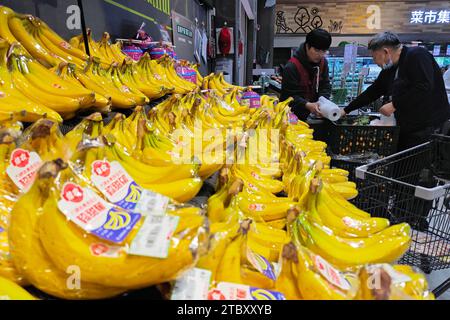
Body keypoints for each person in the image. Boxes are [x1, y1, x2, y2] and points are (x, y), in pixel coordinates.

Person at [342, 32, 450, 151]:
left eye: (374, 57)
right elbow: (373, 91)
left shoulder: (417, 55)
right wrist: (346, 109)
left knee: (414, 164)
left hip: (426, 127)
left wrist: (394, 105)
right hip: (407, 126)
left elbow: (423, 87)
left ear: (386, 52)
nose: (375, 62)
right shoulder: (391, 68)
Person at [280, 29, 332, 121]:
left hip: (315, 117)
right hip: (292, 118)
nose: (320, 55)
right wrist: (307, 105)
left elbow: (325, 85)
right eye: (316, 50)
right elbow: (288, 96)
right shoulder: (292, 66)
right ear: (307, 46)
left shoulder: (323, 63)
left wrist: (322, 101)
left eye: (323, 51)